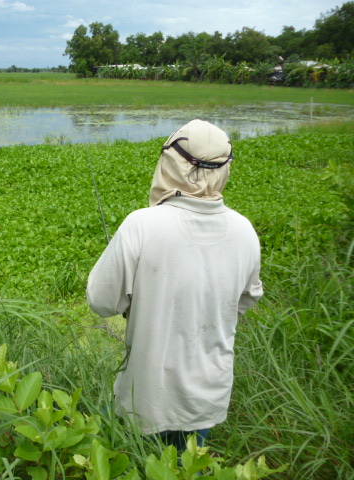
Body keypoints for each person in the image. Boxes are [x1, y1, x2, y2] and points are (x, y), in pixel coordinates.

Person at [86, 119, 263, 450]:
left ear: (170, 162)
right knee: (189, 468)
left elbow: (101, 300)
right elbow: (247, 298)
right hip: (207, 397)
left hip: (145, 397)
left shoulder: (140, 225)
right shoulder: (244, 230)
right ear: (225, 169)